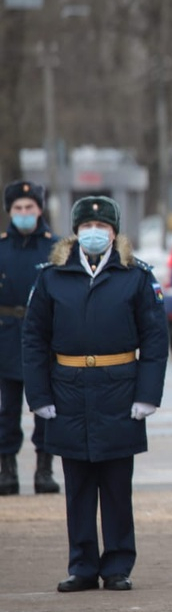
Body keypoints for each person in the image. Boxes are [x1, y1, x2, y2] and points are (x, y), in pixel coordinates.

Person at [22, 195, 168, 591]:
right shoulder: (52, 277)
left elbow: (155, 340)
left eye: (102, 227)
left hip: (119, 389)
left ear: (115, 232)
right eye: (86, 227)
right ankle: (82, 565)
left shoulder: (135, 277)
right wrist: (39, 396)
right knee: (79, 485)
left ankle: (118, 565)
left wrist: (147, 395)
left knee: (117, 486)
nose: (94, 233)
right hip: (68, 389)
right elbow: (34, 340)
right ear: (75, 232)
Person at [0, 180, 59, 495]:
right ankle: (6, 468)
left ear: (40, 210)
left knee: (45, 407)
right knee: (6, 409)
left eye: (30, 208)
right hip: (6, 335)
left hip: (43, 337)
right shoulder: (2, 247)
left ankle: (44, 468)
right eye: (18, 208)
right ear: (10, 211)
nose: (24, 213)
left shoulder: (56, 248)